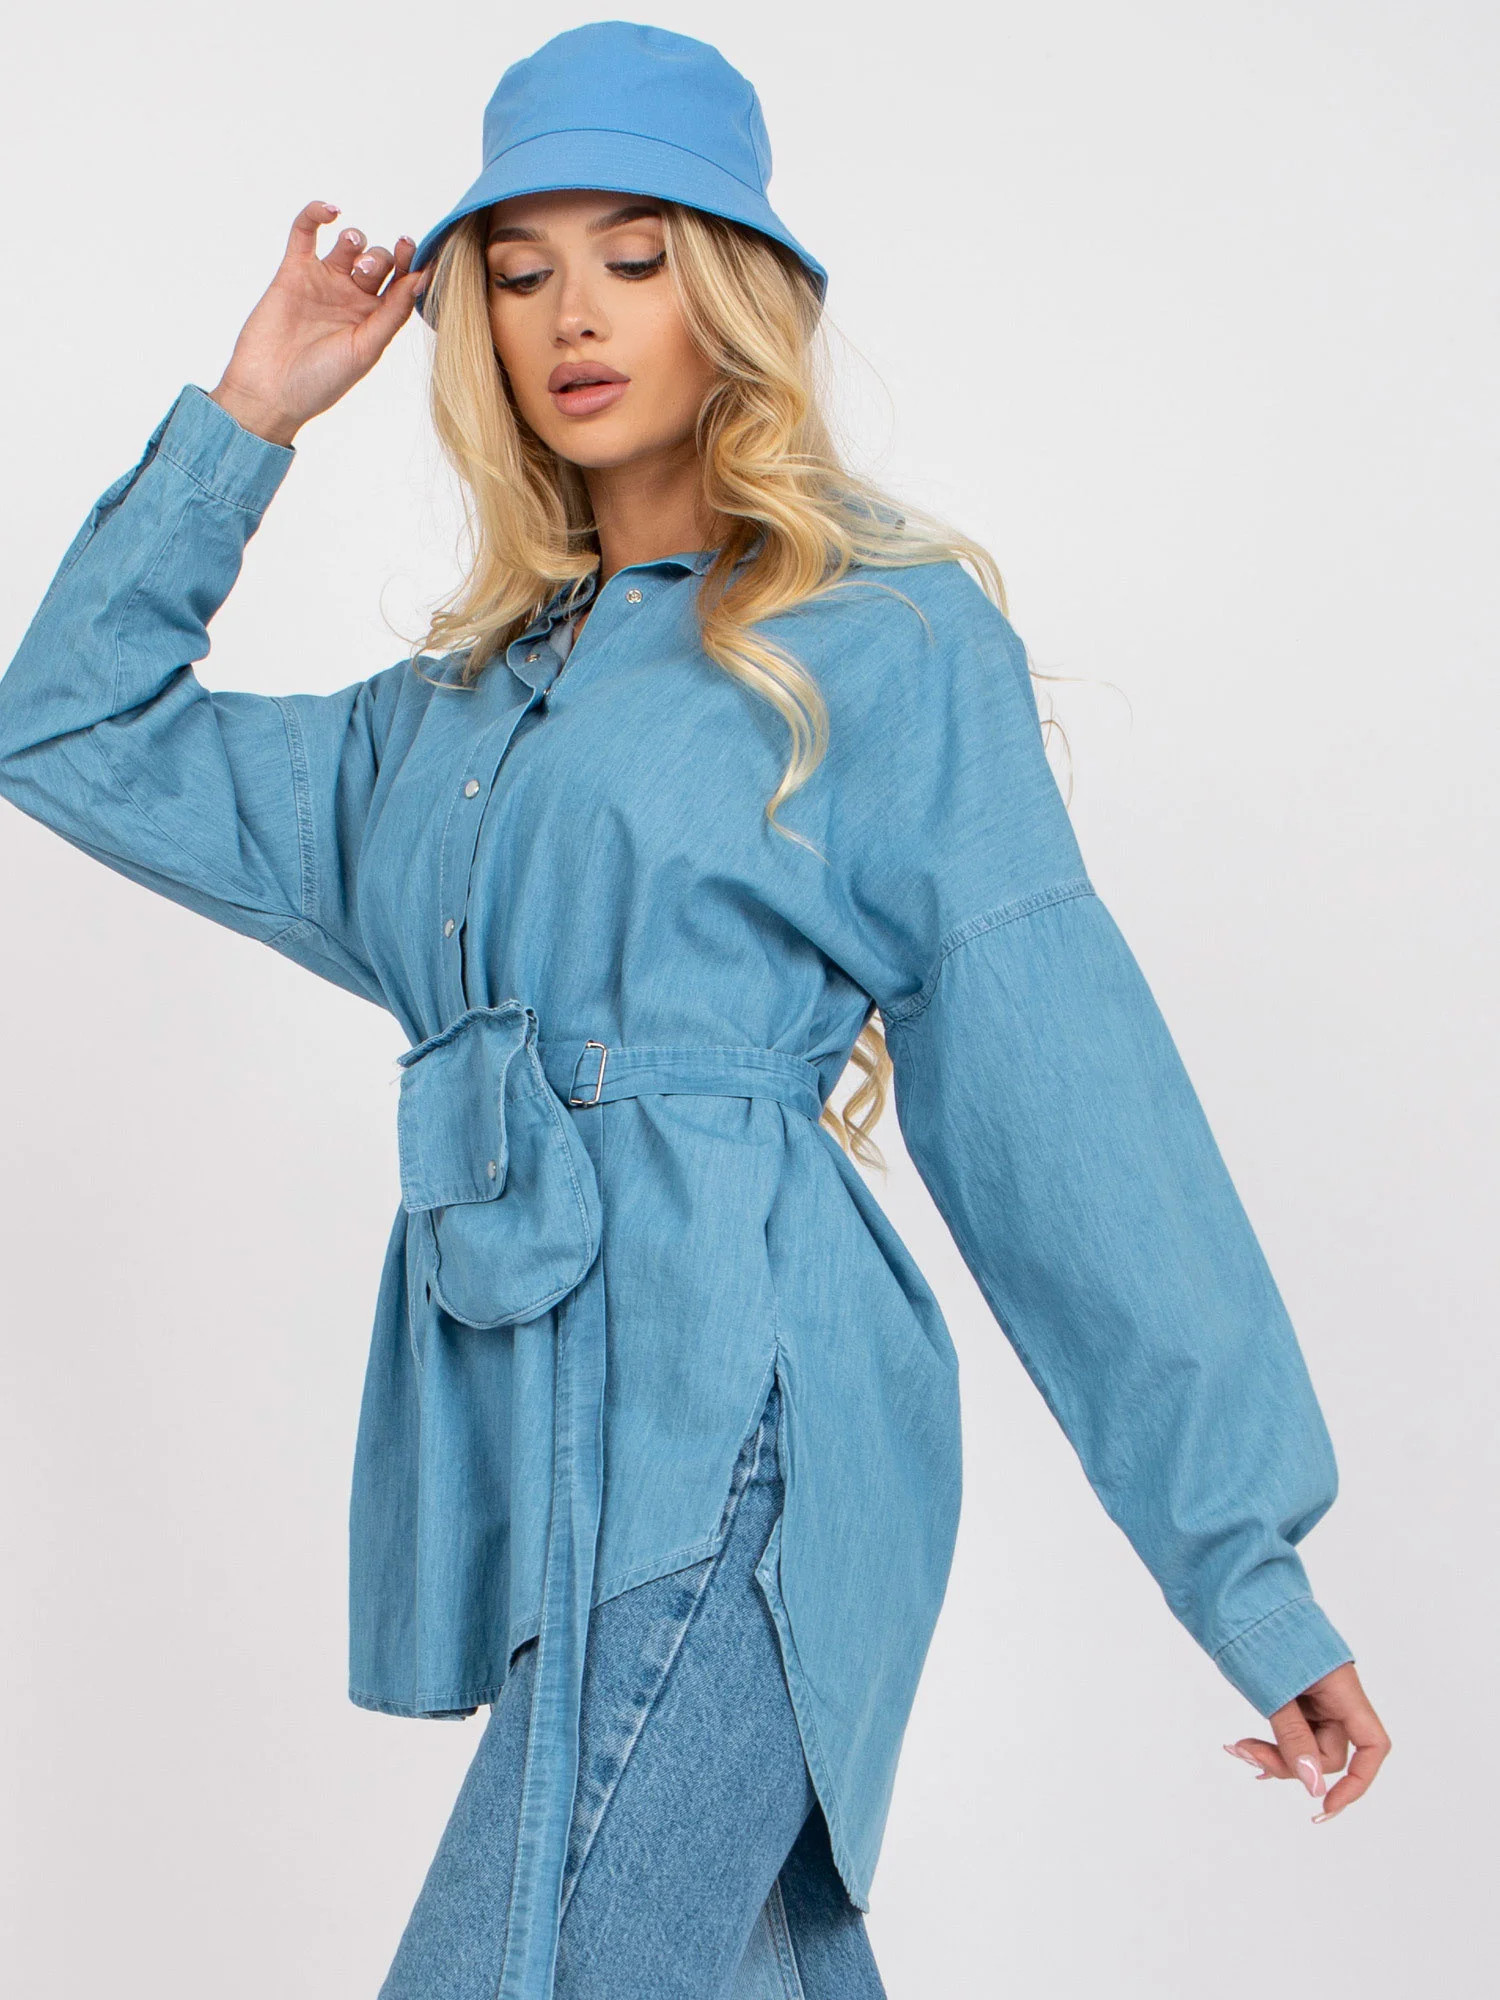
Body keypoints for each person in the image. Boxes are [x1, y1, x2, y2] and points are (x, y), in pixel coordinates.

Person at [0, 19, 1389, 2000]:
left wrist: (1244, 1569)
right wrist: (252, 412)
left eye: (636, 257)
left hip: (742, 1448)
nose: (575, 315)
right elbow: (65, 729)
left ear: (727, 293)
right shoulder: (445, 731)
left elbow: (1068, 1103)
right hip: (544, 1492)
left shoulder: (881, 641)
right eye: (519, 270)